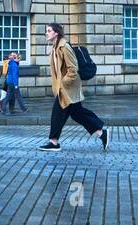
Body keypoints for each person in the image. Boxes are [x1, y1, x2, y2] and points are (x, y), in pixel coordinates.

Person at [37, 22, 108, 152]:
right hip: (66, 87)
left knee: (57, 113)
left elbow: (73, 69)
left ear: (56, 33)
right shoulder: (55, 46)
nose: (46, 33)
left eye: (49, 31)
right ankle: (101, 132)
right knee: (77, 113)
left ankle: (54, 142)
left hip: (68, 87)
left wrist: (63, 83)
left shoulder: (64, 46)